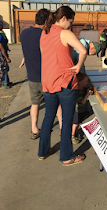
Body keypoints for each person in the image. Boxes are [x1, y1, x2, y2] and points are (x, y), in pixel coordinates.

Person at [38, 6, 86, 166]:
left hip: (48, 82)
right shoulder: (64, 33)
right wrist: (78, 65)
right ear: (64, 18)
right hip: (65, 82)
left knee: (48, 117)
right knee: (66, 121)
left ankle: (43, 151)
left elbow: (45, 55)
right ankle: (67, 156)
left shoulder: (44, 33)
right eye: (71, 21)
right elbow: (83, 50)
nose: (71, 25)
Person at [19, 9, 63, 140]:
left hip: (32, 76)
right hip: (47, 76)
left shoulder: (24, 33)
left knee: (35, 103)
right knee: (57, 104)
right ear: (45, 22)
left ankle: (34, 129)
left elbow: (28, 51)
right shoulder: (45, 34)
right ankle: (62, 127)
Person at [71, 72, 92, 144]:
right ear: (80, 82)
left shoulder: (83, 88)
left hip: (82, 110)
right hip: (77, 111)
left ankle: (76, 133)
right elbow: (82, 102)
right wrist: (87, 94)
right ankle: (73, 136)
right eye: (86, 81)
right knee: (75, 123)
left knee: (78, 122)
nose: (87, 82)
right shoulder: (77, 92)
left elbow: (88, 85)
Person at [0, 22, 11, 89]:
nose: (2, 27)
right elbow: (1, 47)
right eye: (1, 26)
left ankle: (6, 81)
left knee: (6, 68)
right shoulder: (0, 35)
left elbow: (5, 43)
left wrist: (7, 48)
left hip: (3, 53)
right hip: (1, 54)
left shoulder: (1, 34)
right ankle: (4, 83)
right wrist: (6, 58)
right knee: (4, 68)